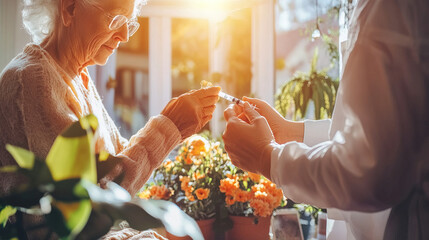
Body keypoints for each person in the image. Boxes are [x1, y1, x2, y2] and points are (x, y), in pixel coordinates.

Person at [0, 0, 220, 239]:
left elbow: (112, 166)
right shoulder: (33, 81)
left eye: (130, 23)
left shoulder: (74, 75)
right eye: (116, 19)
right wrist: (169, 128)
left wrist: (173, 123)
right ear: (69, 8)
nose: (125, 35)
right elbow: (85, 211)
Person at [222, 0, 429, 239]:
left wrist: (268, 158)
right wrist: (292, 132)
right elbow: (384, 130)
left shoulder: (390, 8)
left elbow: (368, 170)